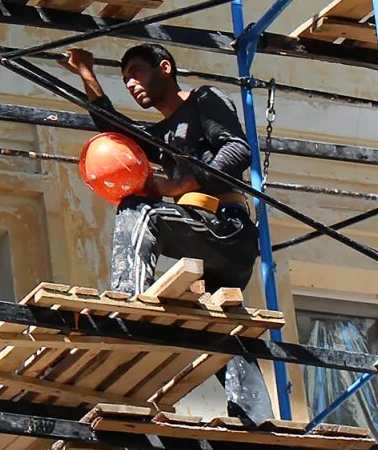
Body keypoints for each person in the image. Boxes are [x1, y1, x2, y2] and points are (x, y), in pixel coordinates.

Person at [65, 42, 273, 424]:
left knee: (137, 210)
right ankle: (256, 419)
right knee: (219, 324)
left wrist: (183, 183)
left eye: (137, 72)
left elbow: (238, 149)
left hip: (225, 226)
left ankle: (127, 305)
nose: (130, 83)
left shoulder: (204, 100)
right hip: (209, 246)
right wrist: (86, 74)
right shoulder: (163, 134)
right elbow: (116, 132)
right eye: (125, 77)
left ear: (165, 68)